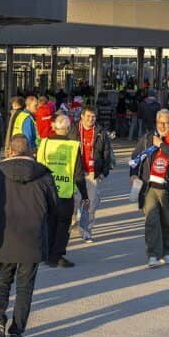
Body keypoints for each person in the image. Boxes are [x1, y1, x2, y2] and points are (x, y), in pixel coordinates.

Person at [0, 134, 57, 337]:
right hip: (33, 238)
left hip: (4, 238)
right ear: (30, 150)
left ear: (10, 151)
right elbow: (54, 207)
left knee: (2, 280)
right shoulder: (44, 175)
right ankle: (17, 331)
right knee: (25, 286)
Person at [130, 109, 169, 267]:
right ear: (156, 122)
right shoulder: (147, 138)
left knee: (167, 222)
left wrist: (161, 145)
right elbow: (135, 157)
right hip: (149, 187)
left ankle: (166, 251)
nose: (163, 125)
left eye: (167, 122)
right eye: (160, 122)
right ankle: (152, 254)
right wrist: (133, 174)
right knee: (151, 221)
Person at [37, 113, 88, 268]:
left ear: (53, 127)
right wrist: (85, 195)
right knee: (63, 225)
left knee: (49, 222)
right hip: (65, 193)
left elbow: (38, 167)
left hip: (47, 192)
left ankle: (46, 254)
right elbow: (78, 174)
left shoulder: (44, 144)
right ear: (67, 128)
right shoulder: (73, 146)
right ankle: (57, 256)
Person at [73, 106, 113, 242]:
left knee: (90, 203)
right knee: (74, 201)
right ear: (82, 116)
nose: (91, 119)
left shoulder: (101, 132)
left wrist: (104, 172)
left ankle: (86, 230)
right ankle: (72, 223)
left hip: (92, 173)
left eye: (94, 117)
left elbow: (106, 153)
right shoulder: (73, 130)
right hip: (75, 172)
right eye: (89, 116)